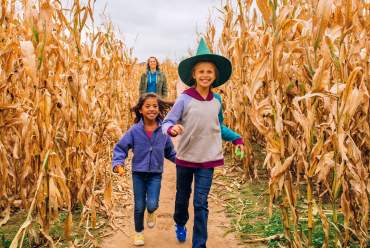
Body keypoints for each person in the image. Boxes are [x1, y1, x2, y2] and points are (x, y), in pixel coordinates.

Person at [162, 37, 244, 248]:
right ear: (194, 75)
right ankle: (180, 222)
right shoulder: (184, 99)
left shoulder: (217, 101)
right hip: (186, 158)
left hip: (209, 159)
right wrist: (172, 129)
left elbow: (218, 127)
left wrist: (236, 138)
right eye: (201, 71)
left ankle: (199, 244)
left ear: (215, 75)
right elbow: (168, 121)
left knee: (201, 203)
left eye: (209, 71)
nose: (205, 75)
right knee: (182, 199)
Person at [112, 93, 176, 246]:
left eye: (155, 106)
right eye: (147, 106)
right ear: (140, 110)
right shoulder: (134, 131)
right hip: (138, 174)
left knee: (152, 204)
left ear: (159, 109)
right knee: (139, 206)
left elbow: (170, 151)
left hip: (155, 173)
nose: (152, 109)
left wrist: (181, 161)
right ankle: (139, 232)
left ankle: (152, 212)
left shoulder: (163, 131)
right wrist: (118, 163)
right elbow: (121, 148)